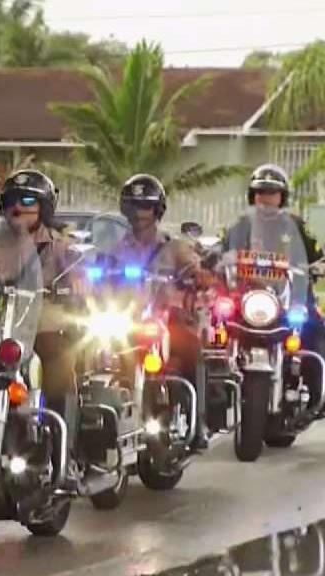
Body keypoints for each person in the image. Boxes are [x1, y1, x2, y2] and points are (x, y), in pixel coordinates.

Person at [0, 169, 81, 450]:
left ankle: (60, 448)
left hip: (44, 328)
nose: (18, 207)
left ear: (45, 208)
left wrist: (74, 290)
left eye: (28, 201)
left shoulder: (61, 246)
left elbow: (82, 279)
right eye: (13, 200)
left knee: (58, 366)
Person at [110, 173, 213, 449]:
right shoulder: (116, 249)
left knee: (192, 349)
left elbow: (194, 267)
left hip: (168, 319)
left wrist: (198, 275)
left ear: (157, 211)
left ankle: (199, 421)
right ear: (126, 210)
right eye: (135, 206)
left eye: (146, 207)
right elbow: (95, 273)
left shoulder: (174, 247)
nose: (141, 213)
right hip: (127, 321)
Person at [222, 164, 325, 416]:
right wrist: (212, 258)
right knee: (219, 324)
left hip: (289, 296)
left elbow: (318, 254)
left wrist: (317, 265)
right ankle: (218, 391)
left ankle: (317, 391)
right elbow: (220, 248)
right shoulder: (240, 225)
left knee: (315, 327)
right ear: (252, 196)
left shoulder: (297, 226)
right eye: (260, 193)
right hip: (250, 300)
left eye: (272, 193)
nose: (266, 199)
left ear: (282, 197)